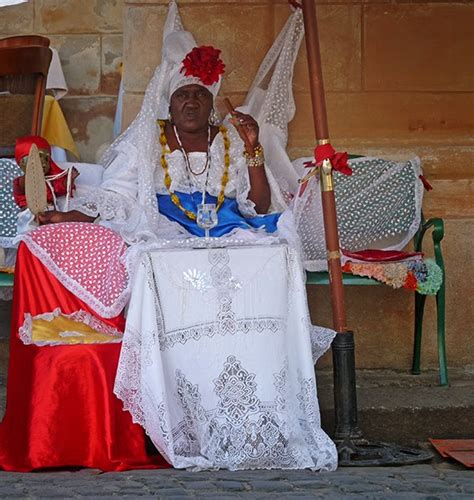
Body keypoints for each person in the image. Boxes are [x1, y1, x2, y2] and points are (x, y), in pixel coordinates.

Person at [0, 1, 337, 471]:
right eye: (182, 97)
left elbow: (257, 206)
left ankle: (252, 415)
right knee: (150, 263)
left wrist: (255, 148)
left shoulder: (229, 142)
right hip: (166, 233)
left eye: (199, 95)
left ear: (209, 99)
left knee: (270, 257)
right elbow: (117, 196)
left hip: (228, 232)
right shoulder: (148, 143)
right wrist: (73, 215)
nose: (191, 103)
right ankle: (181, 413)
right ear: (169, 103)